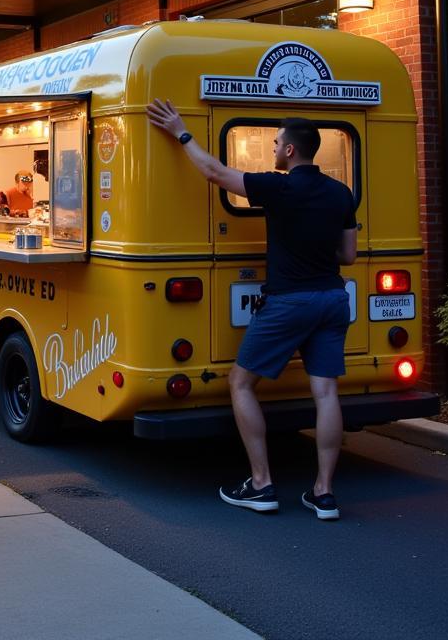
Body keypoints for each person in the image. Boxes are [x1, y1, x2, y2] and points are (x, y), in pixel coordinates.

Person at [147, 101, 357, 521]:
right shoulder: (341, 192)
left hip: (289, 301)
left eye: (277, 143)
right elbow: (348, 256)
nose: (274, 149)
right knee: (326, 392)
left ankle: (261, 484)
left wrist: (181, 132)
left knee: (241, 382)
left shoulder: (278, 187)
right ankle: (324, 493)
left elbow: (215, 173)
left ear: (291, 151)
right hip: (333, 299)